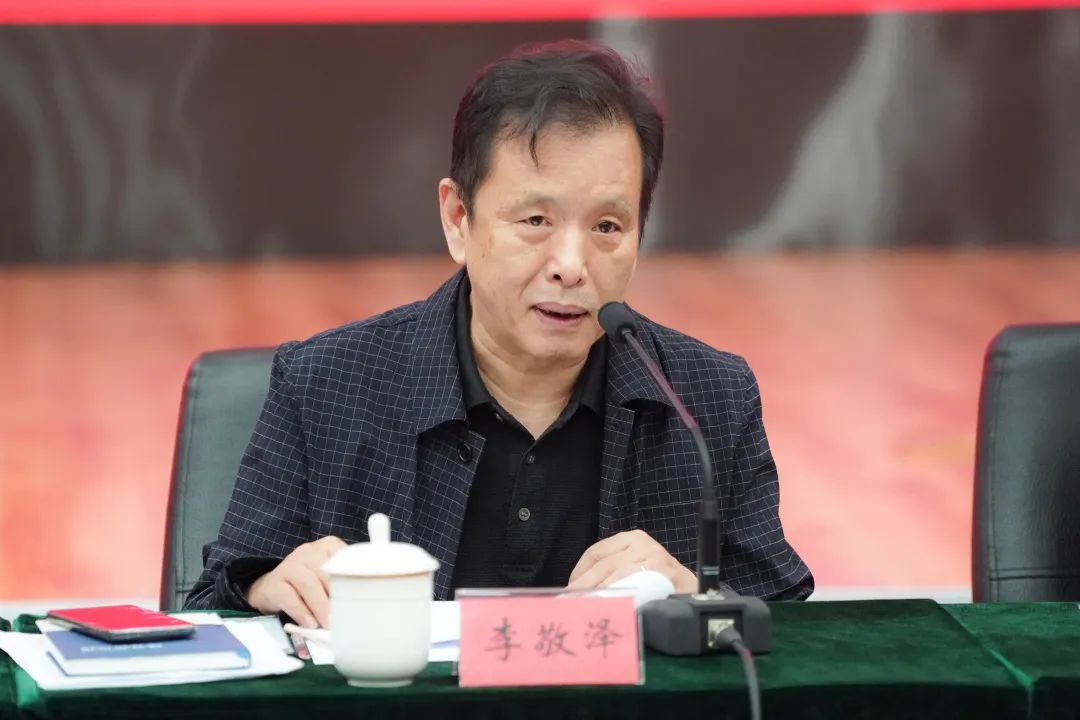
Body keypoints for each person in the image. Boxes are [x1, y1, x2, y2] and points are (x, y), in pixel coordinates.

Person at [185, 39, 812, 627]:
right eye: (536, 219)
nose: (572, 265)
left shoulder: (707, 400)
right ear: (458, 218)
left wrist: (698, 598)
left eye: (607, 227)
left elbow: (797, 632)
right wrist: (267, 589)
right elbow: (214, 602)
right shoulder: (326, 385)